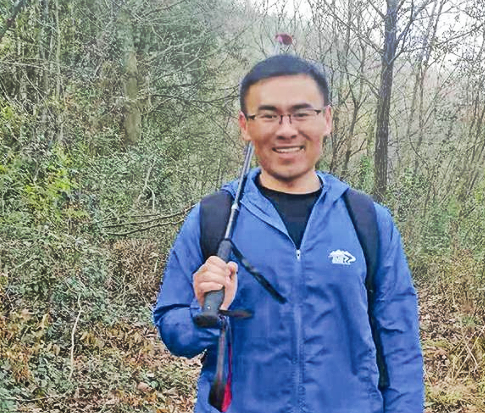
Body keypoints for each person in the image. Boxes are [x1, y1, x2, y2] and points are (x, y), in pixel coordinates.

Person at [153, 55, 424, 413]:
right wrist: (204, 310)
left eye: (301, 113)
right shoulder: (213, 218)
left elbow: (401, 347)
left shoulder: (368, 221)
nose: (286, 130)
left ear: (327, 119)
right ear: (245, 126)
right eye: (268, 115)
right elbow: (174, 332)